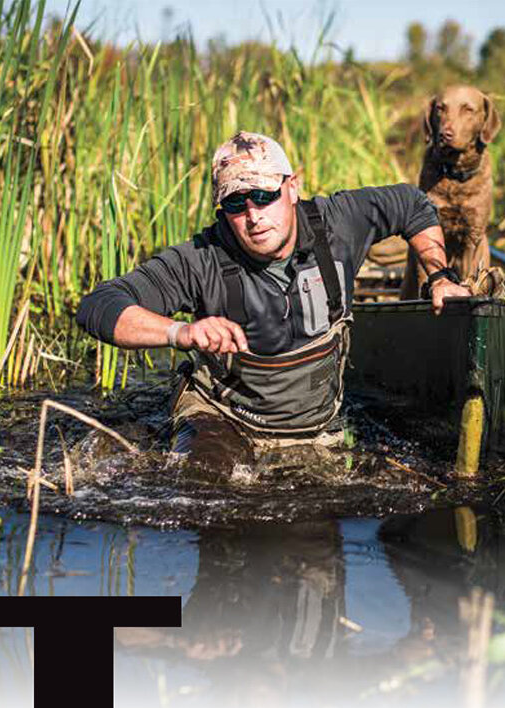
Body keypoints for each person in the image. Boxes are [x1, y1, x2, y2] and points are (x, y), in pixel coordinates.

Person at [75, 131, 471, 462]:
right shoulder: (200, 259)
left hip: (314, 429)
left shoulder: (339, 222)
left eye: (264, 196)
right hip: (221, 419)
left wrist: (440, 275)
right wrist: (181, 332)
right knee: (198, 482)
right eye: (235, 203)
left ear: (292, 187)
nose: (253, 215)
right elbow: (99, 306)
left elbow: (413, 205)